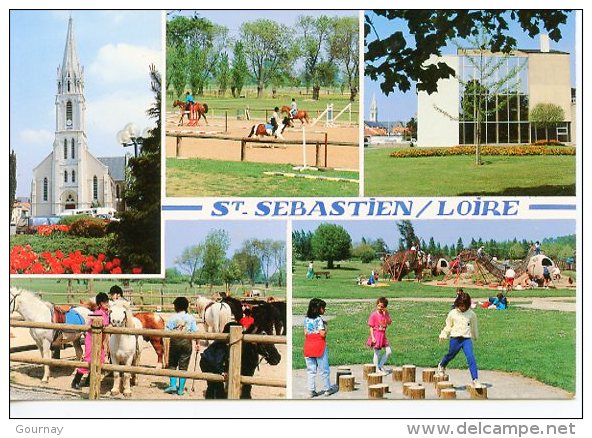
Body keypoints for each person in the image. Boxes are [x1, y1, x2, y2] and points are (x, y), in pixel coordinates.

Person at [437, 291, 482, 388]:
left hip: (466, 339)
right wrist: (443, 334)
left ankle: (475, 379)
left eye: (464, 306)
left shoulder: (472, 314)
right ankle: (442, 365)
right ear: (457, 304)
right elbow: (448, 325)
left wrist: (475, 336)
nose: (462, 308)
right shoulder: (452, 313)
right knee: (450, 355)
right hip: (455, 339)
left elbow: (474, 327)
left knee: (471, 357)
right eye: (460, 305)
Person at [71, 292, 110, 389]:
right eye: (105, 302)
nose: (107, 304)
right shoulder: (97, 314)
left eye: (107, 302)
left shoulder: (106, 313)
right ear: (100, 304)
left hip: (100, 340)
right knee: (88, 359)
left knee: (100, 359)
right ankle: (76, 380)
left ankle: (89, 380)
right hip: (92, 339)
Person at [164, 297, 198, 396]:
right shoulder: (191, 318)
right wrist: (198, 344)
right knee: (184, 365)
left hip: (175, 342)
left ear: (176, 307)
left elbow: (166, 331)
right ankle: (181, 389)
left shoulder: (173, 318)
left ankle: (173, 385)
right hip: (187, 343)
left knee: (173, 363)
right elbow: (196, 331)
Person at [303, 298, 336, 398]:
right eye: (323, 308)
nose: (324, 310)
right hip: (319, 346)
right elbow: (322, 334)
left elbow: (305, 333)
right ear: (318, 309)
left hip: (308, 345)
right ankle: (327, 389)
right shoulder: (319, 320)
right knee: (324, 369)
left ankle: (311, 390)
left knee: (311, 370)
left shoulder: (306, 319)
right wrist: (326, 326)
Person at [367, 297, 393, 374]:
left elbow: (389, 322)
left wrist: (386, 314)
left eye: (382, 307)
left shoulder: (385, 314)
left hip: (383, 336)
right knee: (376, 353)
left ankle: (380, 365)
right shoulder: (374, 315)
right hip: (376, 335)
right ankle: (376, 369)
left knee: (388, 351)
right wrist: (373, 337)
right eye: (378, 306)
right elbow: (371, 327)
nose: (379, 308)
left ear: (385, 307)